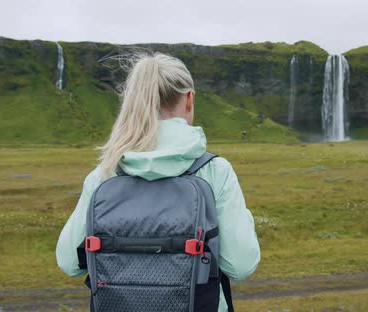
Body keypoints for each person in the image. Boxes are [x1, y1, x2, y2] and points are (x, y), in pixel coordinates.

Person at [55, 52, 261, 311]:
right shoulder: (215, 171)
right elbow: (241, 264)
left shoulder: (105, 174)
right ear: (189, 99)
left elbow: (69, 262)